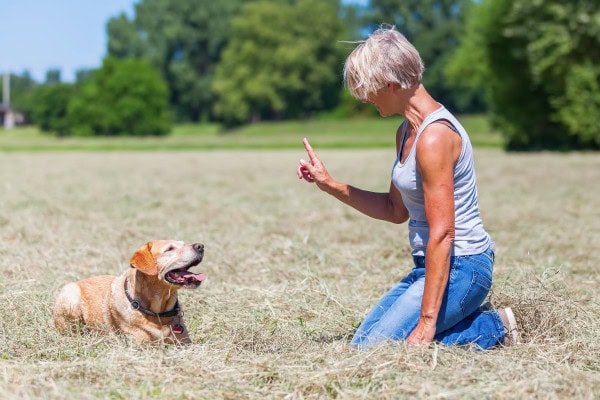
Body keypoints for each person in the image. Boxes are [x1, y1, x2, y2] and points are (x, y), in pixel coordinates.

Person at [296, 26, 518, 350]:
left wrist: (427, 323)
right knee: (363, 344)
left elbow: (443, 233)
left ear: (390, 83)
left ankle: (493, 326)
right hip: (428, 267)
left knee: (379, 349)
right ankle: (464, 322)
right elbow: (394, 209)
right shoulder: (405, 133)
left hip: (463, 267)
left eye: (368, 89)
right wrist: (329, 184)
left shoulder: (434, 137)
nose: (364, 98)